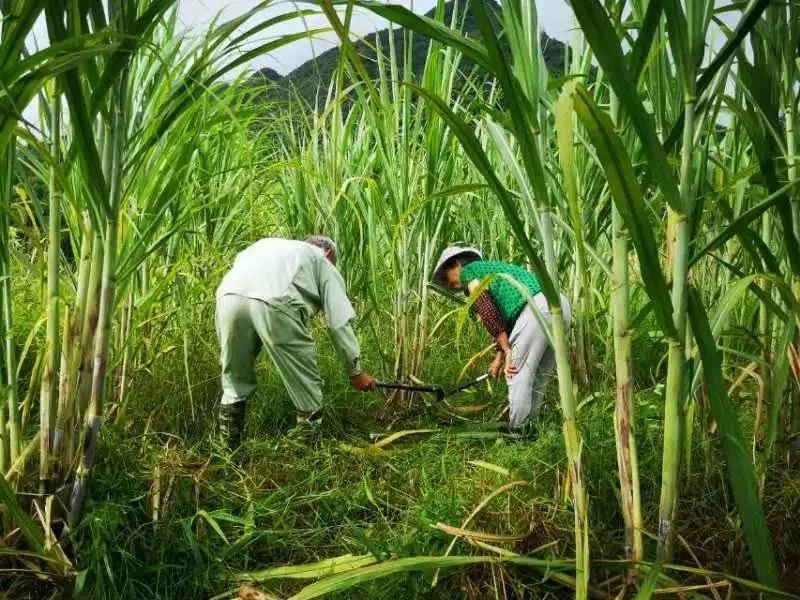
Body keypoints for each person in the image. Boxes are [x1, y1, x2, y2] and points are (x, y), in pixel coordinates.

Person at [215, 236, 375, 448]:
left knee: (234, 383)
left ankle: (227, 455)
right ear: (328, 254)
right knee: (308, 393)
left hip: (228, 297)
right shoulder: (322, 261)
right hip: (277, 302)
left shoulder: (267, 245)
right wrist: (355, 371)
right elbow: (339, 322)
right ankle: (301, 458)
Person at [431, 245, 571, 437]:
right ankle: (532, 430)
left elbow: (486, 308)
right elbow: (512, 323)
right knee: (538, 375)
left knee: (516, 374)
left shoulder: (468, 272)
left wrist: (507, 350)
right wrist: (500, 355)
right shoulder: (492, 270)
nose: (455, 286)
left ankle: (517, 434)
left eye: (450, 280)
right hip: (559, 305)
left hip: (536, 309)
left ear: (455, 264)